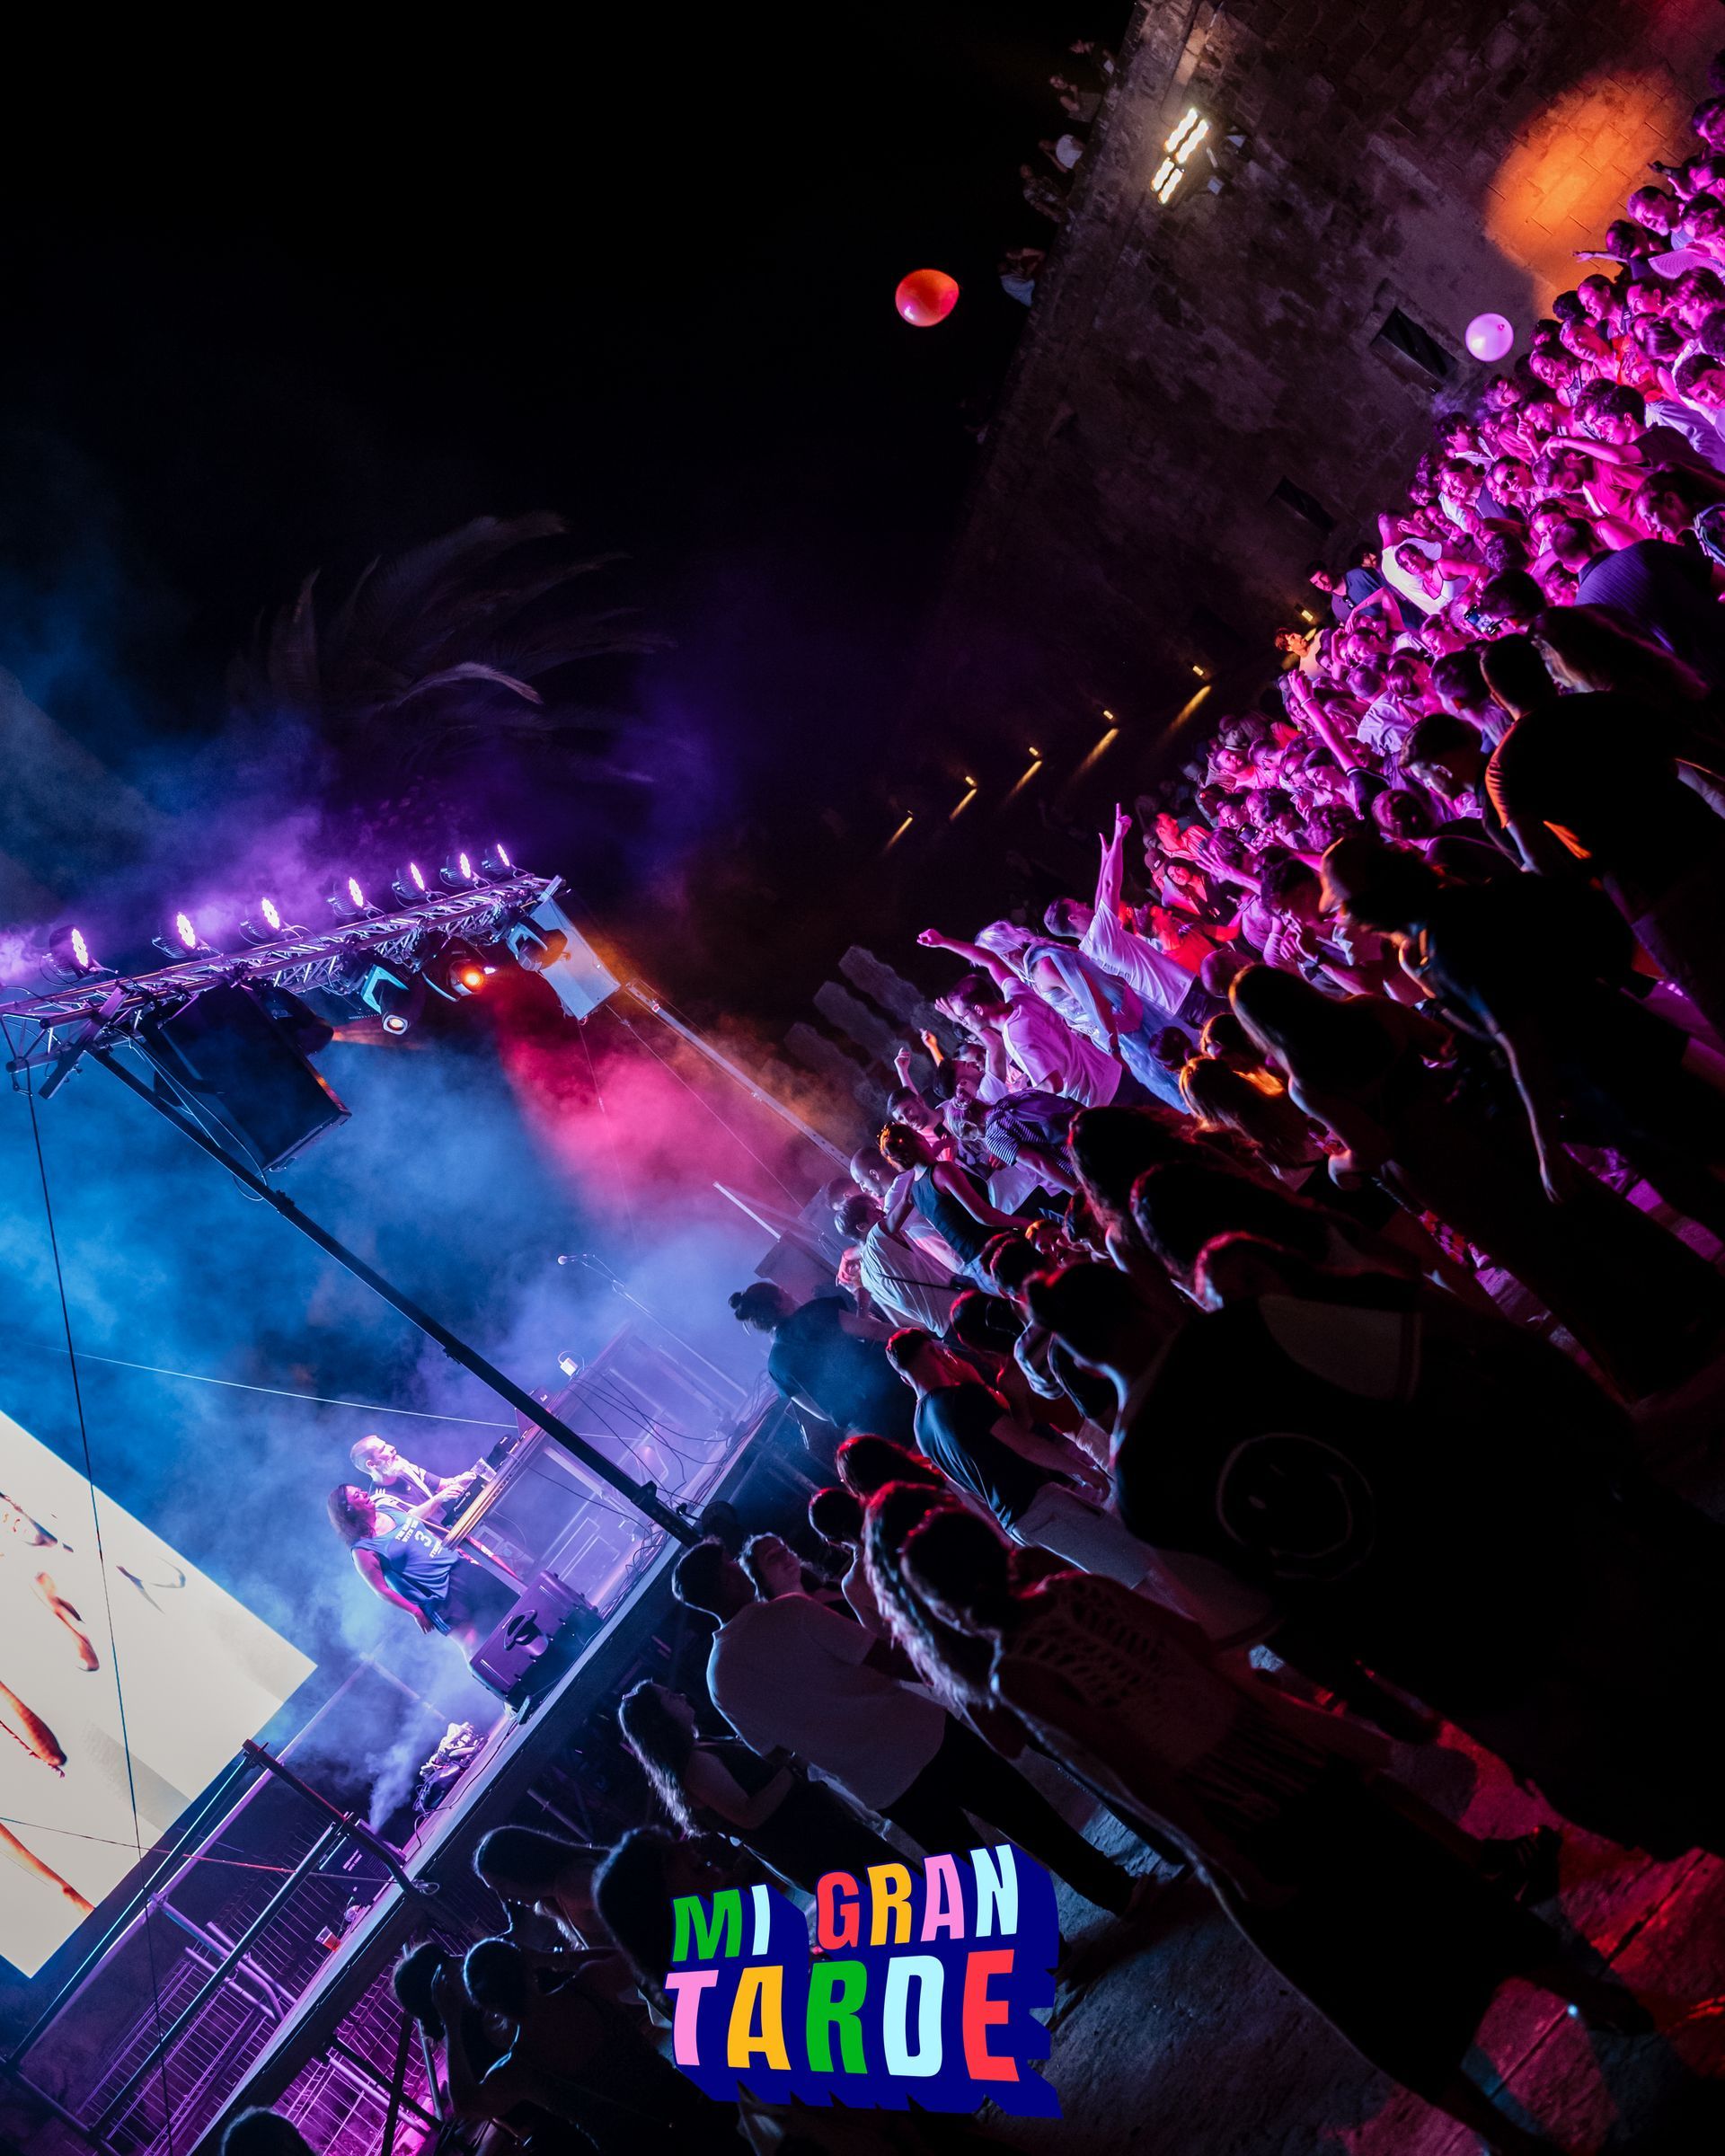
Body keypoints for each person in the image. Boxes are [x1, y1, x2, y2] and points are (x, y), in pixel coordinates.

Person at [899, 1505, 1642, 2156]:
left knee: (1353, 1982)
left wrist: (1215, 1853)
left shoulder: (1014, 1678)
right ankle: (1595, 1996)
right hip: (1277, 1756)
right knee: (1424, 1882)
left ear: (946, 1608)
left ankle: (1505, 2134)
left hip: (1231, 1812)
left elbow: (1135, 1772)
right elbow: (1197, 1643)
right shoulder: (1078, 1590)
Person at [1229, 964, 1724, 1399]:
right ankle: (1695, 1299)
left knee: (1542, 1255)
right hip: (1477, 1118)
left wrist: (1340, 1169)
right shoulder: (1369, 1009)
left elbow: (1374, 1147)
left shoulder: (1308, 1085)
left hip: (1438, 1167)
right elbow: (1441, 1042)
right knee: (1587, 1209)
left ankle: (1650, 1357)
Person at [672, 1536, 1137, 1912]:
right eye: (731, 1565)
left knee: (975, 1867)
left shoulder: (719, 1679)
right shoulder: (789, 1612)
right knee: (1024, 1814)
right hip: (918, 1734)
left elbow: (773, 1751)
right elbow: (883, 1657)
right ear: (726, 1579)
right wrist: (953, 1675)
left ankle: (1050, 1957)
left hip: (877, 1782)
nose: (738, 1567)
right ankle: (1116, 1892)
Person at [617, 1679, 900, 1889]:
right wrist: (789, 1765)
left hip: (816, 1838)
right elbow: (748, 1814)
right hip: (814, 1845)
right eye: (669, 1697)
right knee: (895, 1892)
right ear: (659, 1718)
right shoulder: (695, 1766)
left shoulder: (697, 1752)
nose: (679, 1695)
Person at [727, 1280, 915, 1448]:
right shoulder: (816, 1312)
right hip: (898, 1389)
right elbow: (873, 1330)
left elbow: (822, 1414)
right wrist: (921, 1340)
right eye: (783, 1291)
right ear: (778, 1303)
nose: (788, 1293)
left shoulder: (776, 1367)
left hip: (871, 1424)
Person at [327, 1484, 512, 1648]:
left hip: (458, 1567)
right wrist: (415, 1612)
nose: (364, 1494)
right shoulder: (362, 1548)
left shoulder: (386, 1509)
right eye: (357, 1496)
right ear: (349, 1510)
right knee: (473, 1643)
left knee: (507, 1599)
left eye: (360, 1490)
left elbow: (415, 1521)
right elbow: (381, 1590)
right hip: (439, 1596)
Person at [473, 1825, 608, 1948]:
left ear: (518, 1868)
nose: (502, 1897)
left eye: (501, 1885)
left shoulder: (573, 1883)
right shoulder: (554, 1899)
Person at [349, 1435, 479, 1507]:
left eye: (387, 1444)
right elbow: (412, 1520)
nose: (392, 1448)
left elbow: (442, 1486)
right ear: (371, 1464)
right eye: (383, 1449)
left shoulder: (405, 1468)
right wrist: (439, 1499)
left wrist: (459, 1481)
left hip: (453, 1527)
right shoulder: (380, 1500)